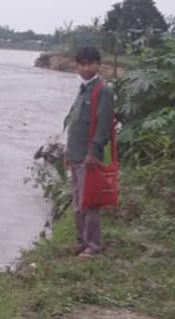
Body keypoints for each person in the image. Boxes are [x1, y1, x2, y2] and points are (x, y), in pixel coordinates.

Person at [64, 46, 114, 259]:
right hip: (75, 155)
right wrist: (68, 153)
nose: (85, 68)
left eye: (90, 64)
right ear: (77, 66)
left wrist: (93, 153)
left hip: (88, 157)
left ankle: (93, 246)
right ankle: (81, 241)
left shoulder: (102, 90)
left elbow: (103, 126)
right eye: (81, 64)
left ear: (98, 65)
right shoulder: (83, 88)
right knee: (77, 202)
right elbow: (76, 123)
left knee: (90, 202)